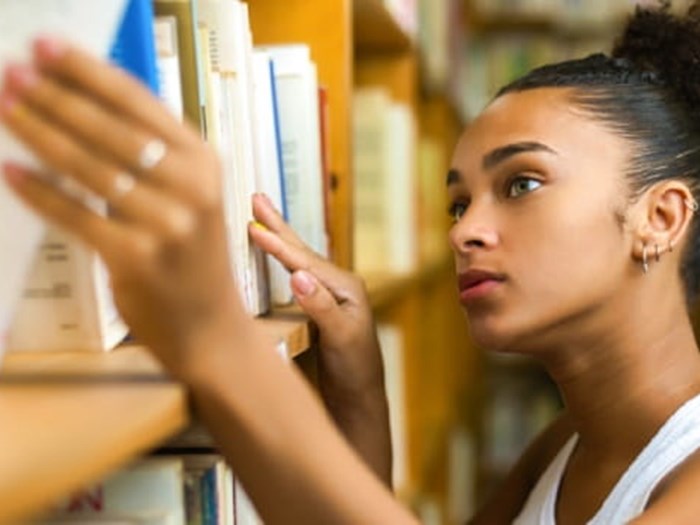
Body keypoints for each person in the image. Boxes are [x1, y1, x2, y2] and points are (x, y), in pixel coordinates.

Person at [4, 0, 700, 522]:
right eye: (458, 205)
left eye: (520, 184)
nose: (465, 234)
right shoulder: (570, 440)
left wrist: (217, 335)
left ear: (660, 218)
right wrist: (359, 388)